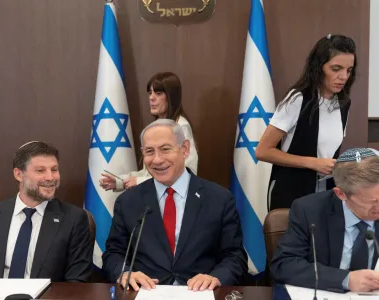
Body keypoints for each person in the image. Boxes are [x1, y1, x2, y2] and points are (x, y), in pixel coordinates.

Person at [102, 119, 248, 291]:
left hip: (199, 294)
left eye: (165, 149)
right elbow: (113, 254)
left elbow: (235, 256)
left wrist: (216, 277)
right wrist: (125, 273)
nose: (157, 160)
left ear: (184, 149)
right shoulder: (128, 202)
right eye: (149, 151)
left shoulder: (219, 199)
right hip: (147, 293)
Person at [255, 34, 357, 210]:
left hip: (326, 194)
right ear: (319, 67)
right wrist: (312, 162)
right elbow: (263, 151)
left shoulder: (343, 103)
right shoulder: (298, 99)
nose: (343, 76)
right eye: (336, 69)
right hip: (291, 193)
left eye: (348, 70)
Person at [0, 141, 93, 281]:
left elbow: (77, 281)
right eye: (40, 170)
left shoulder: (74, 219)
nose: (50, 177)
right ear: (19, 174)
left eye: (54, 169)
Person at [271, 148, 379, 293]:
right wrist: (345, 279)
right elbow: (284, 264)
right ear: (341, 194)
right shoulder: (309, 210)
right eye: (374, 202)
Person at [99, 72, 198, 191]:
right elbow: (150, 172)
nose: (151, 97)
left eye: (158, 93)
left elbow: (187, 171)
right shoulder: (156, 127)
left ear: (171, 96)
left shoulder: (180, 126)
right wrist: (120, 182)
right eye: (150, 93)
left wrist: (139, 182)